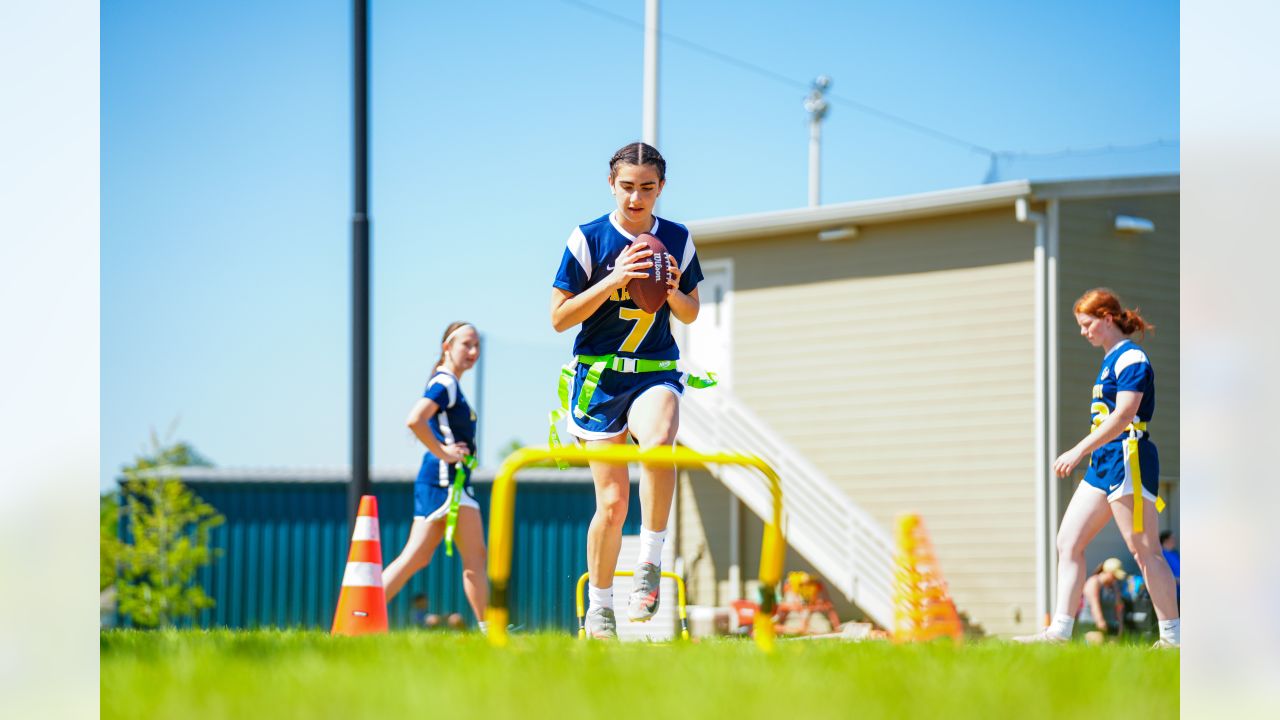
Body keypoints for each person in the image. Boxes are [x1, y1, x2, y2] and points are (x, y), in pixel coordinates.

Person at [550, 142, 704, 639]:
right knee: (612, 505)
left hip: (654, 369)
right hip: (597, 378)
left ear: (662, 188)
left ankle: (650, 561)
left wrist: (674, 289)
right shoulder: (588, 237)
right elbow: (558, 318)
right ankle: (599, 609)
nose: (637, 198)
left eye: (648, 188)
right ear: (611, 185)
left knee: (659, 445)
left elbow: (690, 311)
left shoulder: (677, 238)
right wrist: (614, 278)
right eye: (628, 187)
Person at [1014, 289, 1180, 647]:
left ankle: (1173, 638)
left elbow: (1123, 416)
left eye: (1087, 324)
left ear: (1107, 318)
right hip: (1104, 462)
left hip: (1129, 458)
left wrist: (1076, 451)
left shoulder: (1131, 357)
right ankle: (1059, 632)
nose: (1083, 331)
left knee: (1144, 550)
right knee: (1068, 541)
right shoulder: (1109, 359)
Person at [382, 322, 488, 633]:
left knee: (469, 558)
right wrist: (444, 452)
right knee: (417, 557)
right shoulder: (446, 383)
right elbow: (415, 420)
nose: (473, 351)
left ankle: (490, 631)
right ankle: (357, 616)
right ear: (447, 347)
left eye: (476, 345)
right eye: (466, 344)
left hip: (454, 483)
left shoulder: (450, 383)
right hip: (443, 482)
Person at [1078, 558, 1127, 644]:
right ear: (1107, 572)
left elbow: (1118, 606)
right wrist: (1100, 621)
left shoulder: (1114, 585)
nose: (1115, 579)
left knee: (1114, 647)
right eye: (1114, 576)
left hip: (1110, 623)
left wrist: (1120, 625)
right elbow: (1094, 604)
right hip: (1091, 623)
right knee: (1098, 642)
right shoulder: (1094, 582)